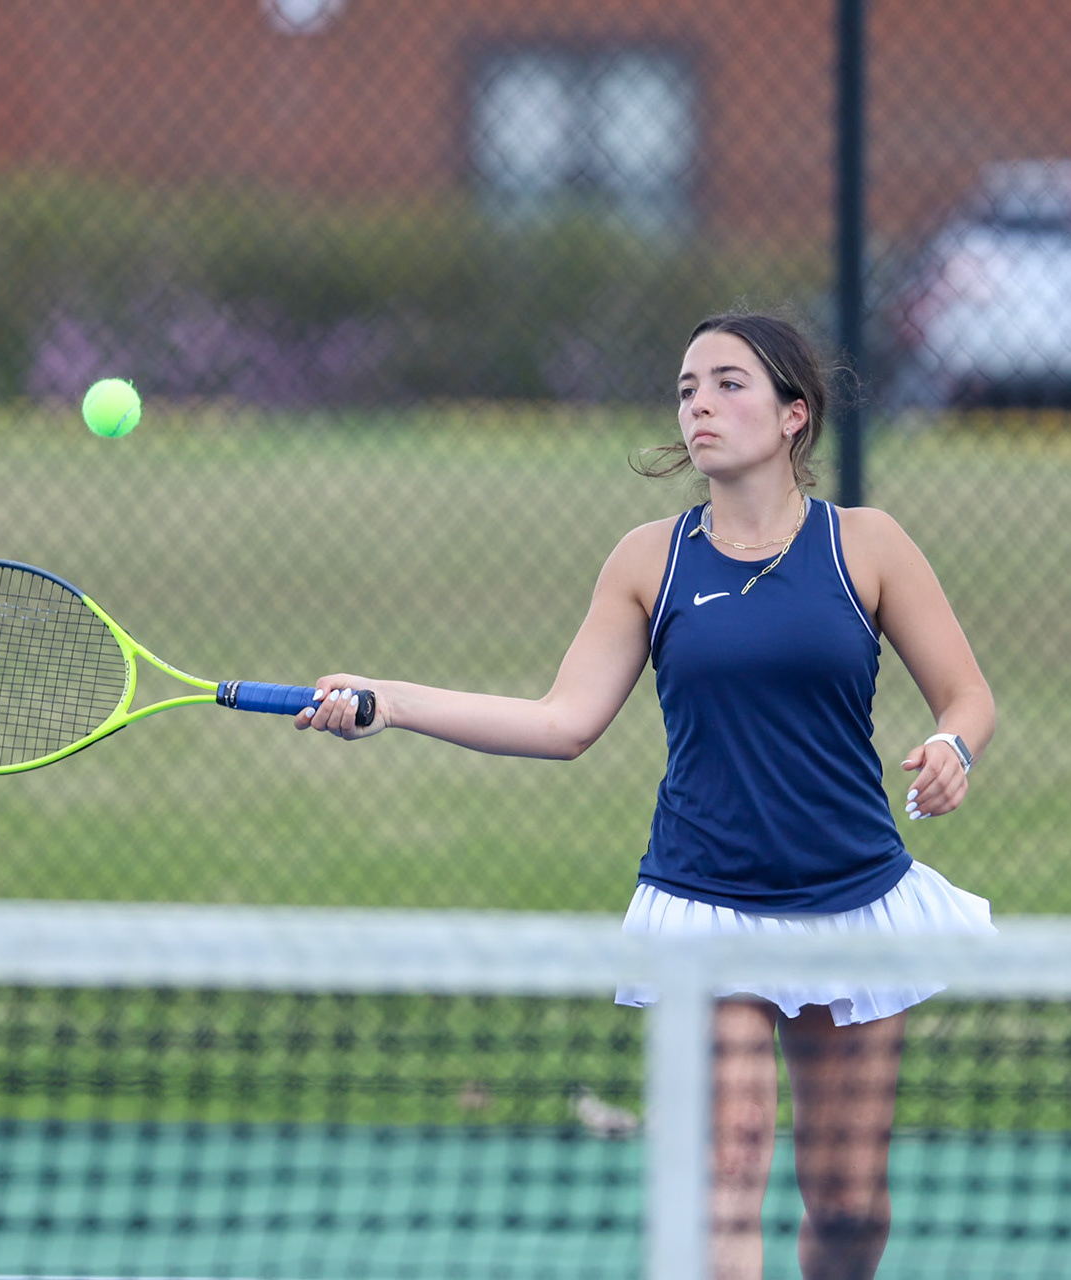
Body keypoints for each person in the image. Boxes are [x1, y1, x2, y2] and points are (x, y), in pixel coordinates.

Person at [298, 310, 996, 1280]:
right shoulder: (650, 560)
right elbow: (563, 721)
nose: (699, 403)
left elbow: (967, 694)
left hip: (854, 901)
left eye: (727, 383)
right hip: (707, 897)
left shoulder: (866, 545)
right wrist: (395, 702)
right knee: (732, 1154)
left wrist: (955, 742)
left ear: (795, 414)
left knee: (847, 1206)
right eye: (685, 388)